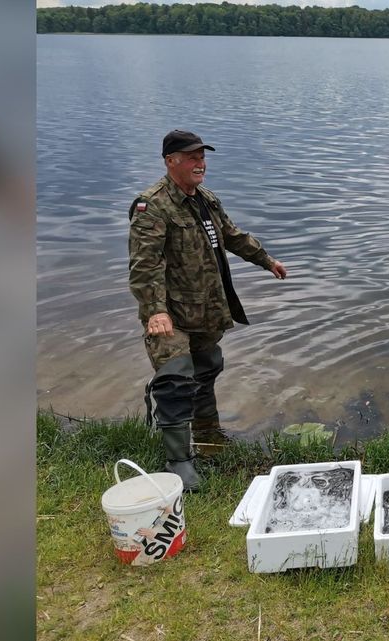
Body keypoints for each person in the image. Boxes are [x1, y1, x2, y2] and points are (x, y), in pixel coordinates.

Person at [128, 130, 288, 491]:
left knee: (207, 367)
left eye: (202, 156)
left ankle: (208, 436)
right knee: (175, 379)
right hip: (169, 314)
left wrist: (267, 260)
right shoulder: (152, 205)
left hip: (204, 308)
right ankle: (179, 461)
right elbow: (144, 265)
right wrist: (155, 311)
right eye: (191, 157)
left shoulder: (206, 200)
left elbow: (232, 236)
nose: (200, 163)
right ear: (171, 161)